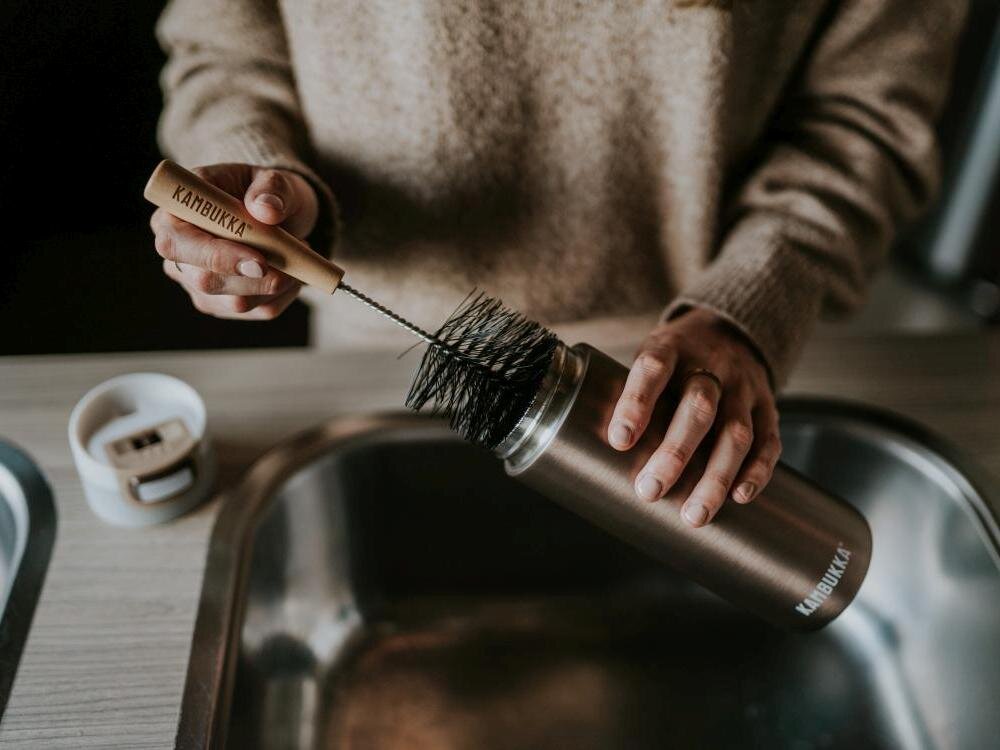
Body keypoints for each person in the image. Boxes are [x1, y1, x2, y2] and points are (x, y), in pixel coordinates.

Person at [150, 1, 965, 527]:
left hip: (681, 373)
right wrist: (261, 176)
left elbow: (868, 118)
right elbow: (223, 49)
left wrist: (750, 303)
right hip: (375, 351)